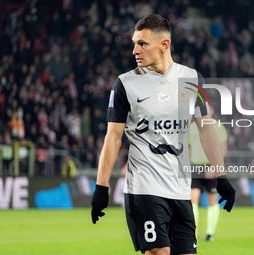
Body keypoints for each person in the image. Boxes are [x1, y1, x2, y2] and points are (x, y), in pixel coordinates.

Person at [90, 14, 235, 255]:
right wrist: (101, 186)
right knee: (159, 252)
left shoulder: (191, 78)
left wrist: (221, 176)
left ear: (164, 45)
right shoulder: (125, 84)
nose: (135, 50)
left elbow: (205, 128)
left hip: (180, 190)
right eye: (134, 43)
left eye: (142, 44)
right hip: (144, 189)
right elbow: (113, 137)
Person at [189, 108, 228, 242]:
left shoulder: (218, 126)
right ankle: (194, 232)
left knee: (212, 200)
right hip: (195, 166)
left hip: (210, 165)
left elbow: (222, 149)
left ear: (212, 111)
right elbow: (190, 149)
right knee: (193, 199)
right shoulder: (192, 127)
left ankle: (210, 233)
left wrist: (214, 166)